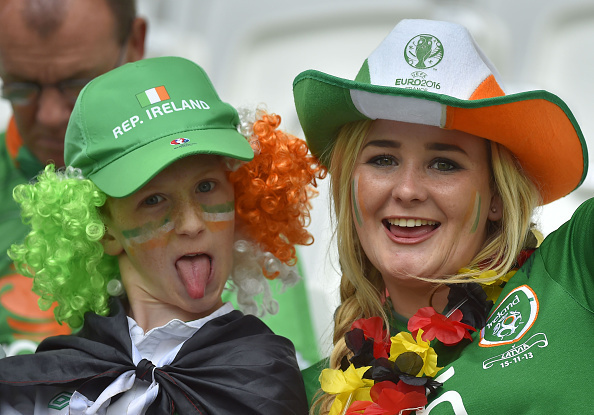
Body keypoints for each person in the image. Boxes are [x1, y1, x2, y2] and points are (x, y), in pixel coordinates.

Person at [293, 18, 589, 414]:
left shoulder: (572, 272)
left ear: (497, 196)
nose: (407, 190)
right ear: (350, 187)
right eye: (383, 160)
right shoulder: (307, 396)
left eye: (444, 164)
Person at [0, 56, 321, 413]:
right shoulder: (45, 381)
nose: (191, 224)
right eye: (153, 200)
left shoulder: (267, 375)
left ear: (241, 197)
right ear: (105, 231)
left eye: (206, 186)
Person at [0, 0, 146, 355]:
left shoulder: (213, 185)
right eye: (21, 87)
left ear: (135, 44)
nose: (50, 115)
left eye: (77, 84)